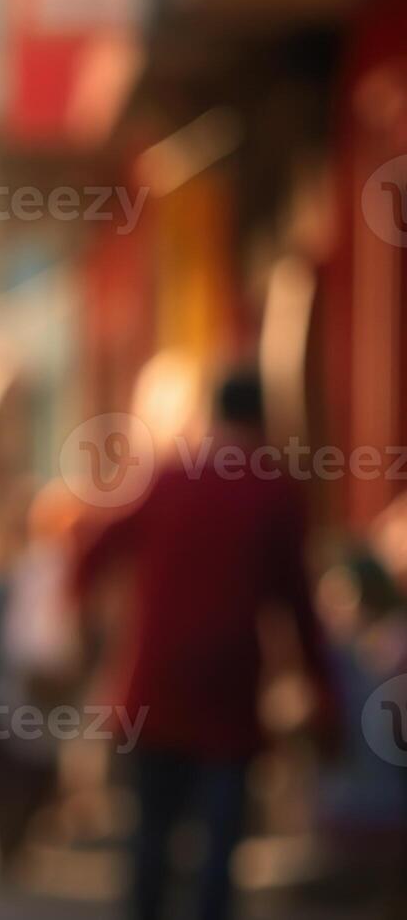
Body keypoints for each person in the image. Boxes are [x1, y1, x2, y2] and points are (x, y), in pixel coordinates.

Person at [74, 370, 338, 920]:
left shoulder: (167, 478)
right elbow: (298, 606)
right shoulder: (275, 492)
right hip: (230, 698)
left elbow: (89, 553)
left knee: (151, 842)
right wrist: (322, 689)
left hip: (154, 693)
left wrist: (84, 629)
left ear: (214, 418)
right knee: (218, 855)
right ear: (263, 421)